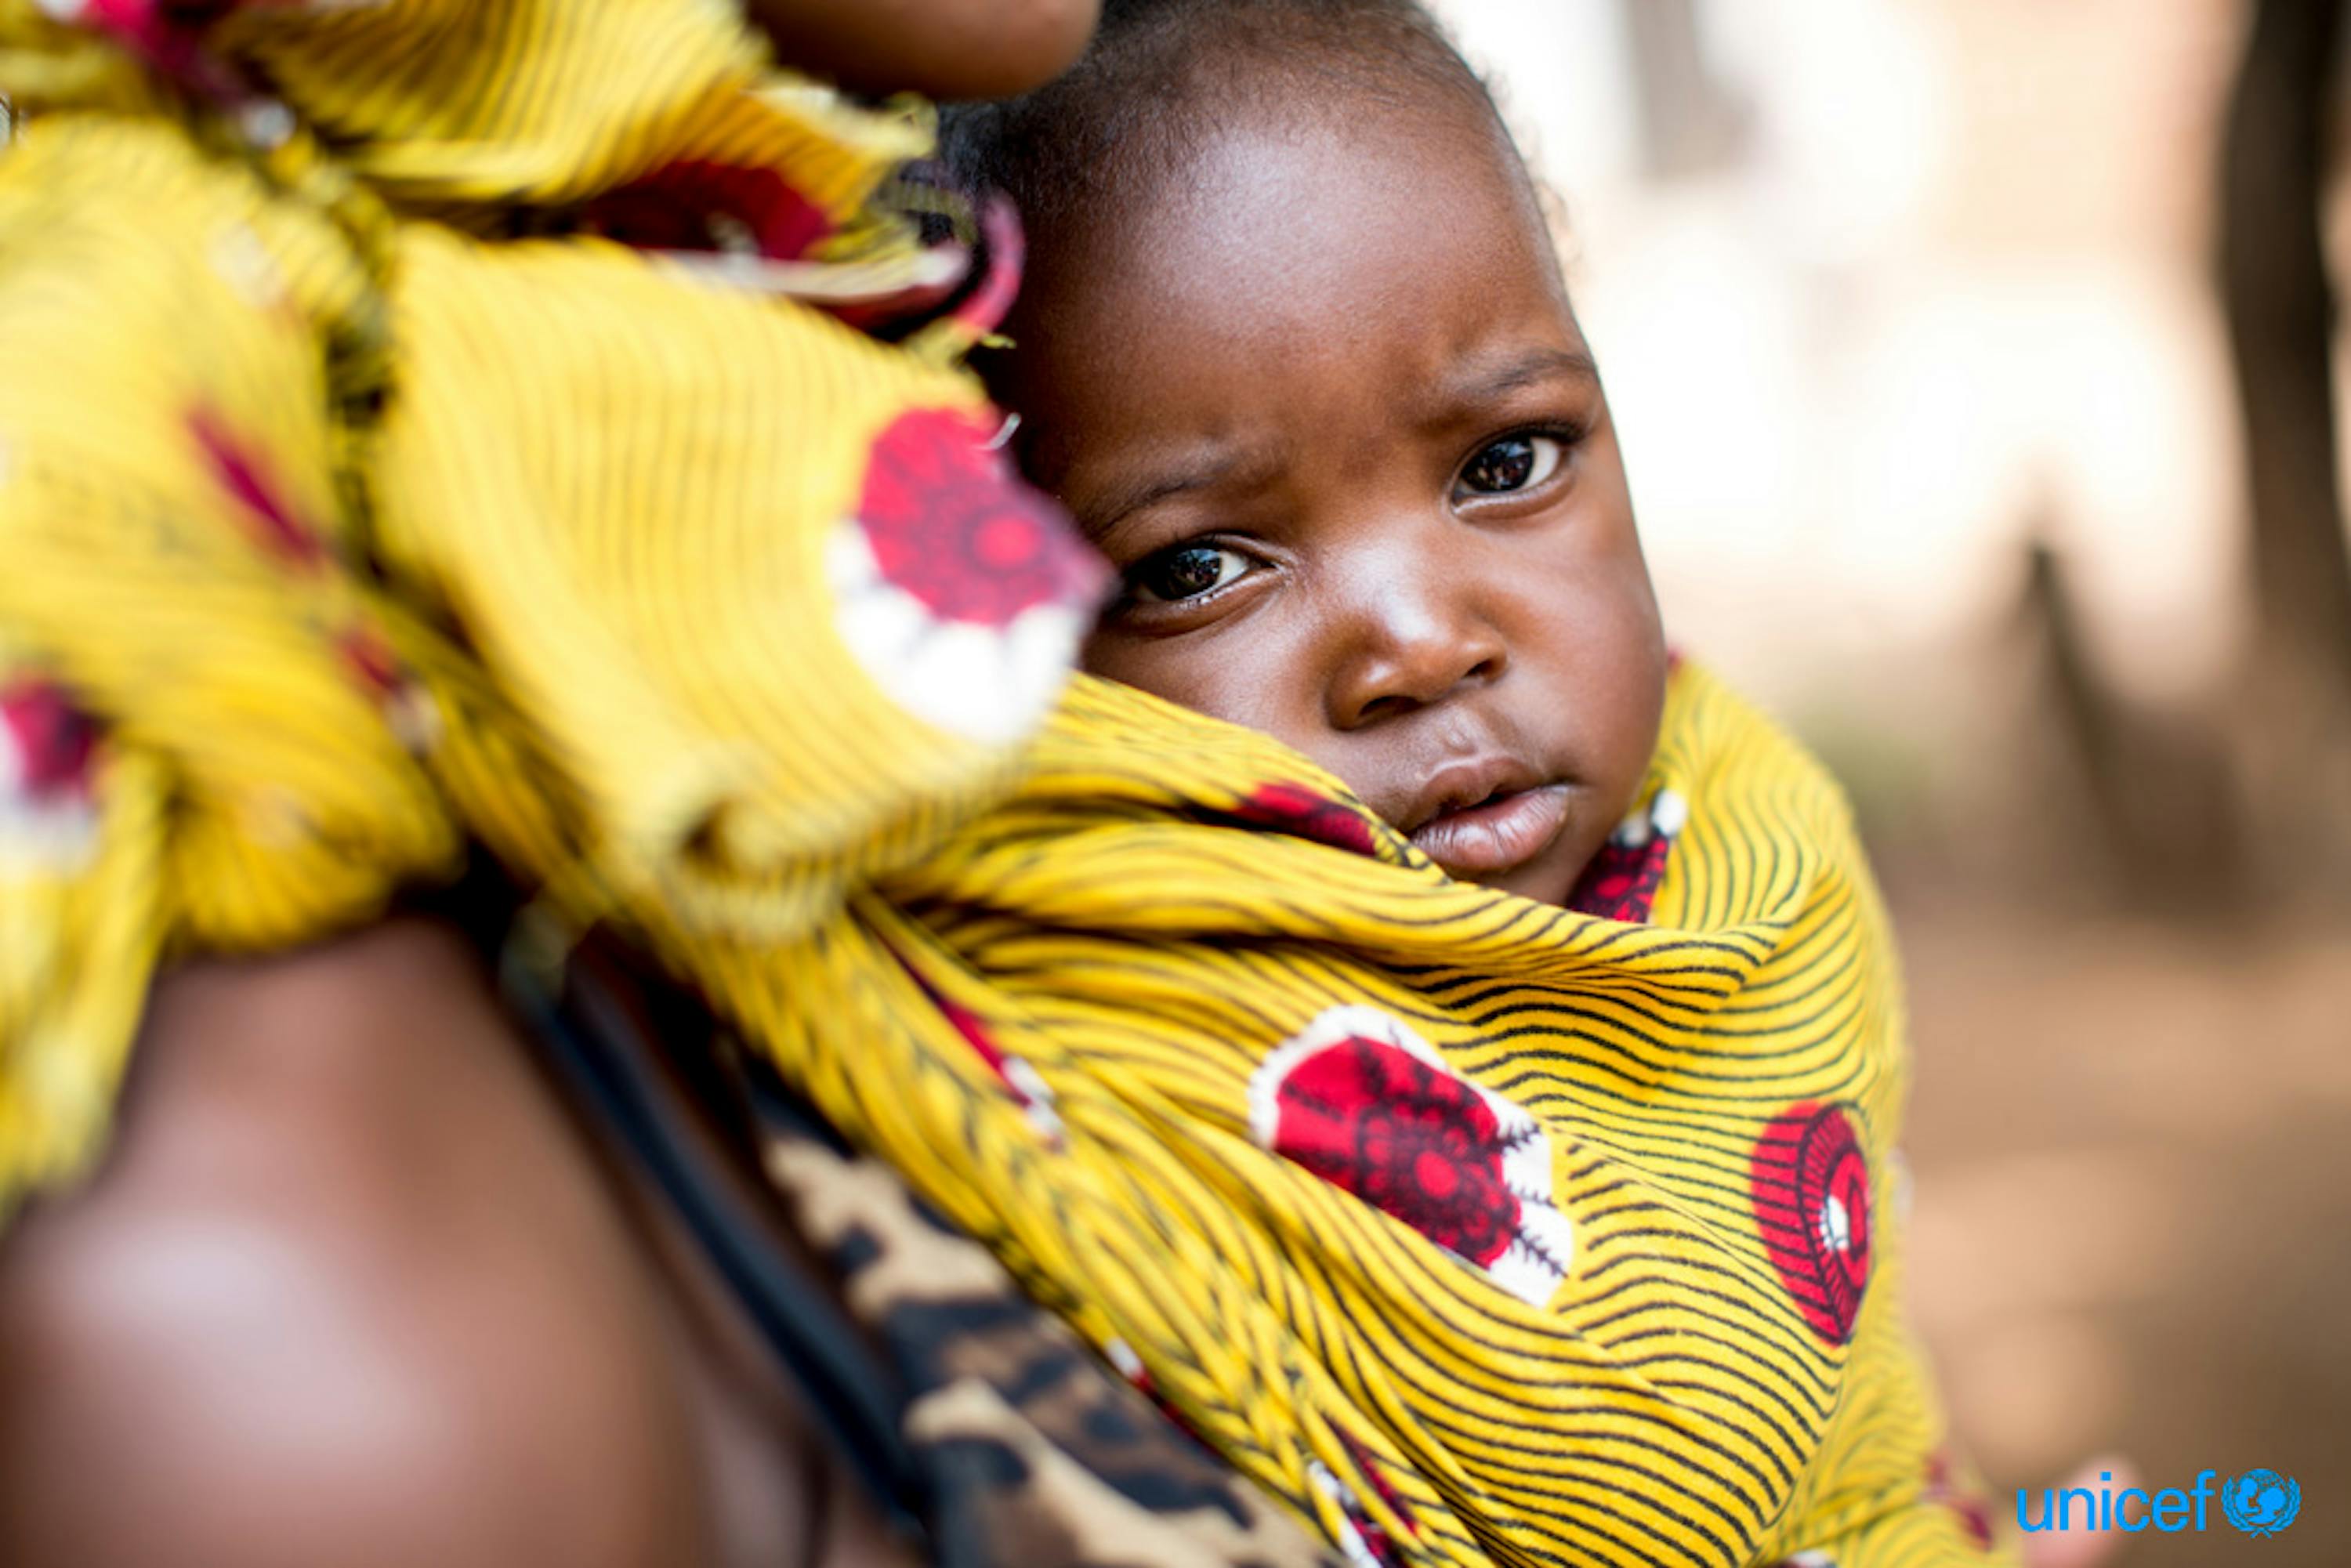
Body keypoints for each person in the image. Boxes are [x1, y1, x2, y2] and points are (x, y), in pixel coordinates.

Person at [0, 2, 2128, 1566]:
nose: (1418, 636)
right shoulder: (863, 861)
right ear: (1003, 610)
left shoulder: (1730, 856)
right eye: (1193, 566)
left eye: (1509, 463)